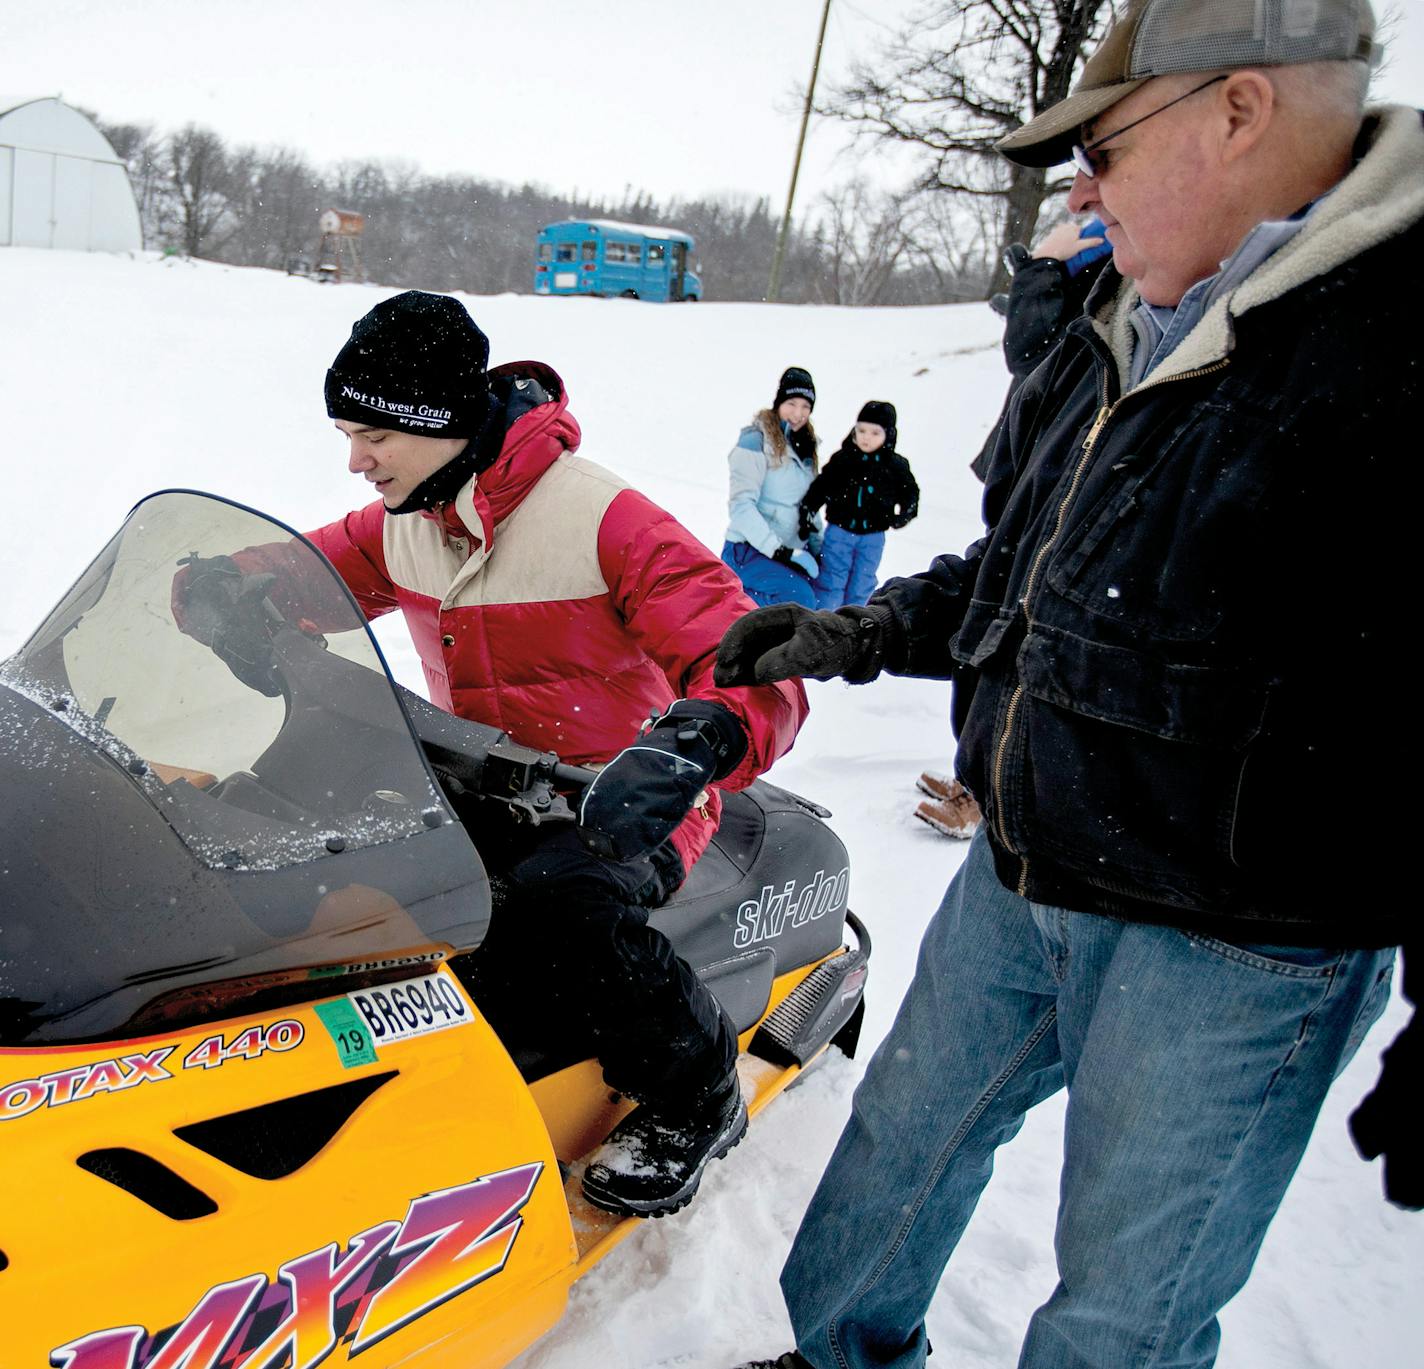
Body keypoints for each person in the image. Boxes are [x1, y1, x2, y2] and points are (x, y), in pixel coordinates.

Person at [718, 1, 1419, 1364]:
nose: (1080, 188)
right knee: (893, 1159)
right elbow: (1031, 570)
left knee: (1123, 1306)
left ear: (1238, 108)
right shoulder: (1119, 310)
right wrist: (851, 632)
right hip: (1027, 863)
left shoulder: (1397, 334)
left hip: (1235, 941)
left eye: (1102, 144)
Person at [181, 290, 808, 1219]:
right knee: (328, 850)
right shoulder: (409, 516)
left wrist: (692, 743)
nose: (354, 461)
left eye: (370, 436)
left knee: (560, 905)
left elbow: (759, 667)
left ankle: (695, 1090)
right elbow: (297, 577)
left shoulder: (602, 518)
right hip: (483, 778)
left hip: (626, 797)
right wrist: (213, 590)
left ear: (436, 423)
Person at [798, 400, 919, 612]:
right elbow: (821, 487)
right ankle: (824, 621)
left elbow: (910, 493)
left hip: (872, 537)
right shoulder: (843, 459)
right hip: (839, 533)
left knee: (862, 583)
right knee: (831, 581)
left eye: (875, 433)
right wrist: (808, 510)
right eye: (862, 430)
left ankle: (853, 627)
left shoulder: (895, 465)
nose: (866, 437)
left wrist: (904, 515)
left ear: (888, 435)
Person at [721, 367, 823, 608]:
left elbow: (810, 503)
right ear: (779, 402)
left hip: (789, 549)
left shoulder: (806, 446)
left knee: (824, 593)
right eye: (792, 403)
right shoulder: (755, 441)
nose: (798, 414)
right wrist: (779, 551)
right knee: (801, 601)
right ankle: (729, 607)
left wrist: (819, 546)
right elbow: (741, 506)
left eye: (806, 407)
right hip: (747, 549)